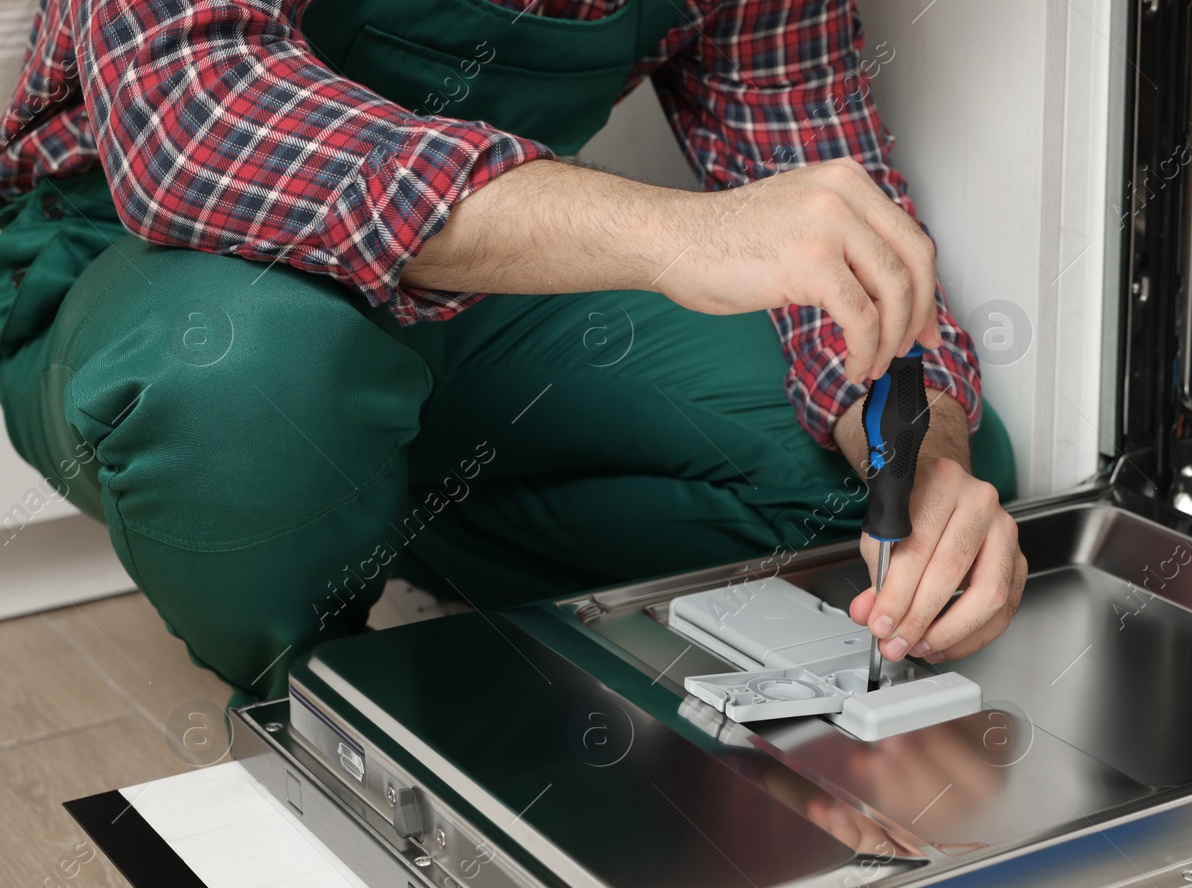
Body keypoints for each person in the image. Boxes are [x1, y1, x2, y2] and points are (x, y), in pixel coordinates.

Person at [0, 0, 1025, 704]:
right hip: (152, 268)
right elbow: (197, 117)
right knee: (244, 370)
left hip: (467, 295)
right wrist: (672, 234)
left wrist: (923, 465)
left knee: (891, 493)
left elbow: (850, 253)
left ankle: (367, 507)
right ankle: (313, 690)